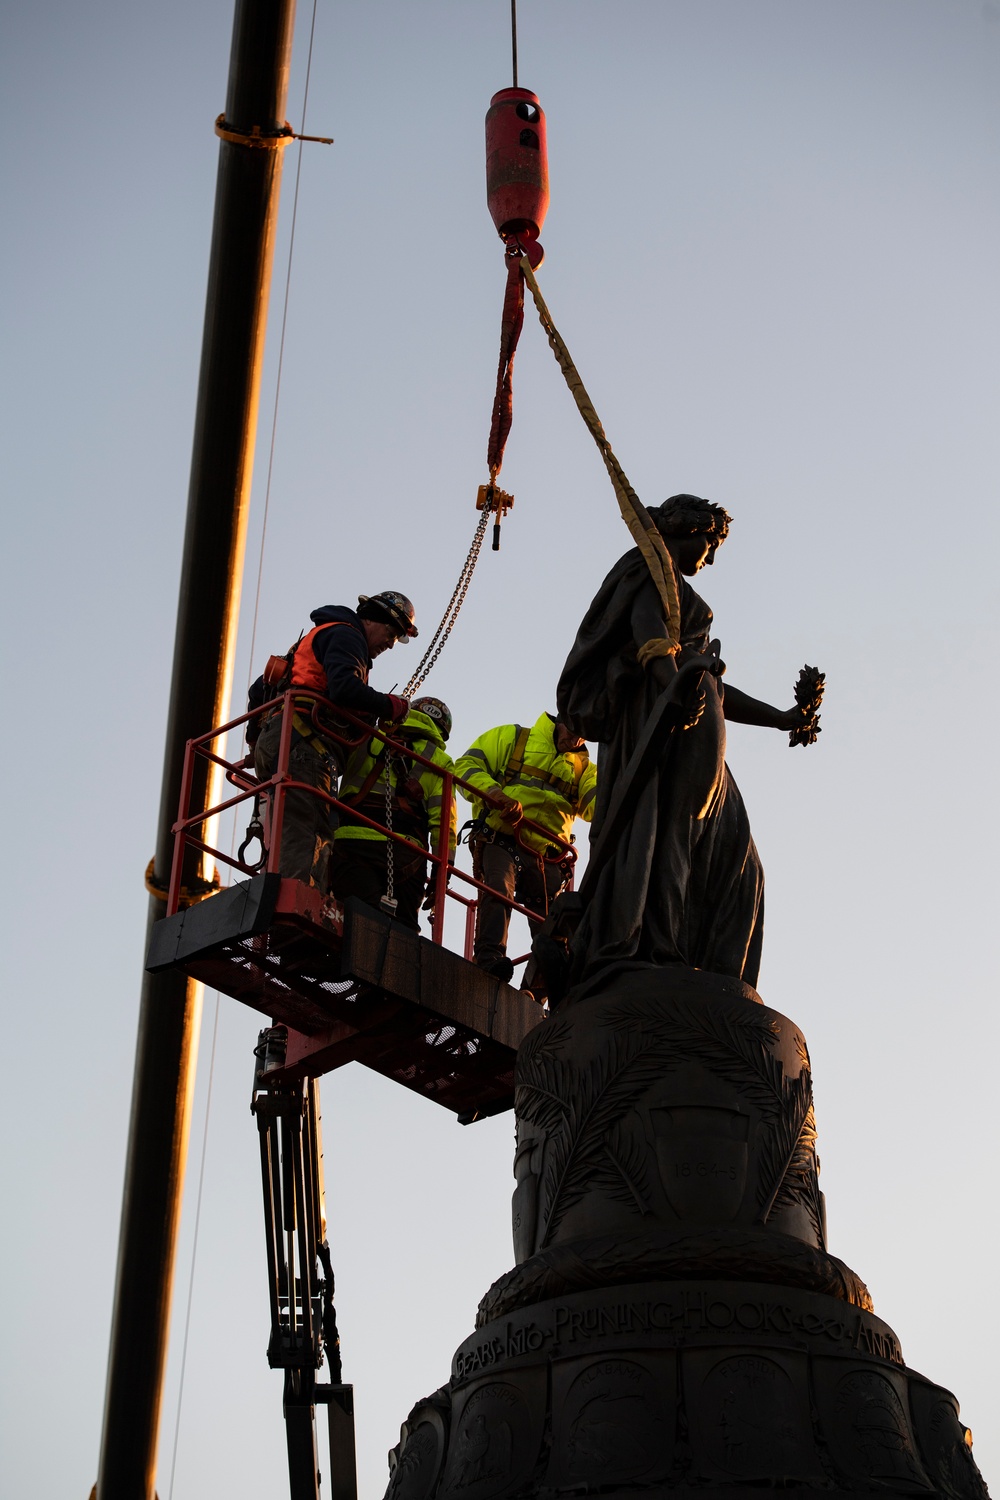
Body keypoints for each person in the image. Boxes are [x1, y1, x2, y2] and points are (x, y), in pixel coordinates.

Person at [556, 494, 808, 991]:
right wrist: (671, 681)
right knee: (662, 833)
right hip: (658, 723)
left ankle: (701, 959)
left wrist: (781, 718)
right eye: (709, 543)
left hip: (691, 717)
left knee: (737, 858)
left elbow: (708, 681)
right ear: (685, 529)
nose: (709, 557)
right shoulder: (648, 571)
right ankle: (657, 945)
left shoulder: (679, 592)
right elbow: (650, 634)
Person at [248, 591, 417, 889]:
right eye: (390, 633)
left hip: (279, 739)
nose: (390, 644)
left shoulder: (317, 637)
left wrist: (255, 741)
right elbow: (344, 689)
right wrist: (391, 705)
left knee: (289, 824)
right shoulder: (348, 636)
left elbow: (259, 689)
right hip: (304, 744)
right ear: (372, 620)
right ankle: (299, 901)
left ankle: (280, 891)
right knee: (311, 827)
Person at [453, 713, 597, 981]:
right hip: (501, 837)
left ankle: (543, 986)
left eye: (583, 735)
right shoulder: (515, 738)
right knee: (498, 889)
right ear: (560, 717)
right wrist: (496, 796)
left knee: (551, 924)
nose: (576, 739)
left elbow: (597, 806)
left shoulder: (585, 769)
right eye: (573, 730)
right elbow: (466, 766)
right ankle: (490, 960)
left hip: (547, 857)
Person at [330, 696, 457, 930]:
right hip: (407, 855)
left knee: (353, 925)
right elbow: (444, 824)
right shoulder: (442, 762)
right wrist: (443, 873)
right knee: (403, 936)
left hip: (351, 842)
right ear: (441, 731)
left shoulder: (368, 735)